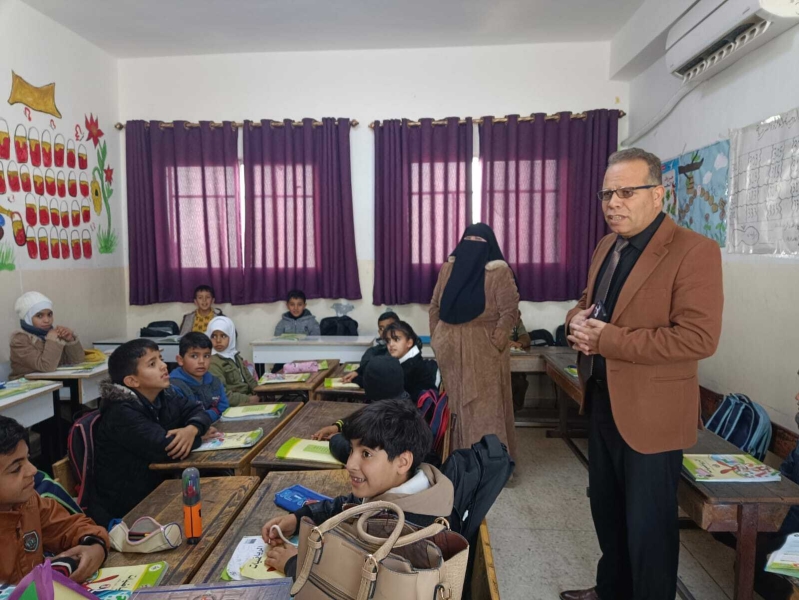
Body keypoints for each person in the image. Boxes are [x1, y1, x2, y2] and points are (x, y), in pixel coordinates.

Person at [561, 148, 723, 600]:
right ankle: (611, 589)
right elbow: (588, 303)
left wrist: (608, 340)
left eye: (627, 192)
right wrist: (576, 321)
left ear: (658, 194)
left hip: (653, 414)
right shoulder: (607, 246)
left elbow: (697, 339)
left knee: (648, 526)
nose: (613, 203)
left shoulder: (694, 251)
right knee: (607, 510)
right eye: (607, 194)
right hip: (602, 400)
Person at [261, 398, 453, 578]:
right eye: (352, 450)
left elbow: (355, 585)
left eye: (366, 454)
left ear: (402, 462)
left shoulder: (410, 533)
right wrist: (299, 518)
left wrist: (297, 565)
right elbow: (347, 506)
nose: (350, 464)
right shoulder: (393, 488)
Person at [89, 339, 213, 527]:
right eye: (152, 364)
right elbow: (167, 448)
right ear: (132, 381)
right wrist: (199, 436)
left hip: (159, 488)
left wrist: (191, 429)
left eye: (160, 359)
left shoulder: (164, 395)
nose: (163, 366)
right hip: (128, 509)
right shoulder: (120, 412)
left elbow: (198, 410)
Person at [429, 223, 519, 459]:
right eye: (469, 240)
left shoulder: (499, 272)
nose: (473, 246)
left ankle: (491, 464)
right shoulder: (448, 269)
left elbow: (510, 311)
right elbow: (435, 304)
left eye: (479, 241)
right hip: (449, 347)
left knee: (486, 409)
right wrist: (437, 336)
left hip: (484, 351)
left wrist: (497, 340)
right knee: (455, 406)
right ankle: (457, 461)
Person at [0, 415, 108, 584]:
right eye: (16, 468)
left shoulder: (29, 503)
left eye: (28, 458)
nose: (33, 470)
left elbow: (73, 526)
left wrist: (96, 546)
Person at [312, 355, 411, 463]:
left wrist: (335, 438)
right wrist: (337, 426)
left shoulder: (387, 420)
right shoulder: (401, 403)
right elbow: (361, 417)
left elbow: (352, 451)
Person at [10, 291, 84, 378]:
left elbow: (78, 361)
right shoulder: (20, 339)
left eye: (49, 315)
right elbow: (47, 367)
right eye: (39, 316)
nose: (47, 320)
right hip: (28, 384)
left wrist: (70, 340)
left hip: (55, 382)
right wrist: (52, 340)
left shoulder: (51, 334)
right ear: (28, 318)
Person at [170, 332, 230, 423]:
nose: (201, 361)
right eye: (194, 356)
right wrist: (214, 412)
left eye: (206, 356)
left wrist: (204, 416)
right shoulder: (174, 387)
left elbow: (224, 409)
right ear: (180, 360)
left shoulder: (215, 382)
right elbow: (187, 419)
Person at [207, 316, 259, 407]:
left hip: (249, 399)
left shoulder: (235, 356)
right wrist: (249, 399)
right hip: (235, 405)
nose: (218, 340)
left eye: (223, 336)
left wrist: (260, 393)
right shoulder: (212, 362)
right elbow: (222, 394)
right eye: (213, 336)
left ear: (231, 337)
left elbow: (250, 380)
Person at [382, 321, 438, 401]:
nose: (391, 344)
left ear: (409, 342)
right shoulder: (397, 363)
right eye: (388, 341)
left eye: (396, 339)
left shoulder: (416, 369)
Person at [340, 310, 400, 385]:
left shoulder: (398, 351)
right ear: (379, 332)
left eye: (389, 327)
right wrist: (357, 372)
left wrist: (357, 379)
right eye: (381, 328)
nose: (385, 331)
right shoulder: (372, 351)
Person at [510, 313, 532, 413]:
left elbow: (525, 337)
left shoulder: (516, 320)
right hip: (492, 362)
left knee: (519, 382)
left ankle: (513, 410)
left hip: (512, 362)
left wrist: (519, 343)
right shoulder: (488, 317)